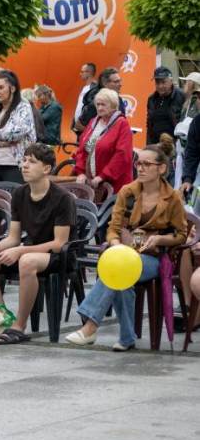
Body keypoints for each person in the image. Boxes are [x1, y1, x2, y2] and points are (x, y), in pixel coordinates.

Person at [66, 136, 187, 351]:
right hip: (125, 252)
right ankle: (127, 337)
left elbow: (181, 235)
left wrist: (160, 239)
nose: (140, 168)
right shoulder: (128, 192)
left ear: (161, 169)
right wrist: (115, 244)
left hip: (156, 258)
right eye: (138, 163)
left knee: (120, 268)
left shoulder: (173, 197)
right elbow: (112, 229)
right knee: (121, 271)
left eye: (146, 164)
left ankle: (90, 325)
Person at [0, 144, 76, 344]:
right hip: (29, 251)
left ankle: (19, 327)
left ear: (46, 169)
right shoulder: (21, 194)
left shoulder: (62, 198)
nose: (24, 166)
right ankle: (2, 317)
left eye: (32, 162)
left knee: (27, 261)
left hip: (57, 255)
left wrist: (20, 250)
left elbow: (59, 243)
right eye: (24, 161)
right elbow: (13, 237)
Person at [0, 71, 36, 184]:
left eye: (1, 88)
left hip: (14, 166)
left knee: (13, 200)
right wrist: (1, 143)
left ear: (12, 89)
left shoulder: (23, 109)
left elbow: (15, 134)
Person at [72, 88, 134, 194]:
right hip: (92, 184)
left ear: (114, 106)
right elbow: (82, 149)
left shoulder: (122, 124)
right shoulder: (93, 122)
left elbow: (122, 155)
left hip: (113, 185)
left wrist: (103, 175)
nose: (99, 108)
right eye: (97, 104)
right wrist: (81, 172)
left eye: (103, 105)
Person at [76, 67, 125, 133]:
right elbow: (78, 125)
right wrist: (97, 135)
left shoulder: (119, 100)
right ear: (105, 84)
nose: (120, 84)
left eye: (120, 81)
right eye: (116, 82)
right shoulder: (94, 104)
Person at [146, 66, 185, 146]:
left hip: (174, 148)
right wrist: (149, 146)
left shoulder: (181, 96)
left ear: (171, 81)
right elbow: (149, 124)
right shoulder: (152, 99)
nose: (160, 86)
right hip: (155, 146)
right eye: (157, 83)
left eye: (163, 82)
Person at [72, 63, 96, 133]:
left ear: (89, 73)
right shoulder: (84, 87)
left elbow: (91, 108)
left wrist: (82, 122)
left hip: (85, 127)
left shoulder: (95, 88)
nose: (80, 74)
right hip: (79, 128)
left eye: (82, 72)